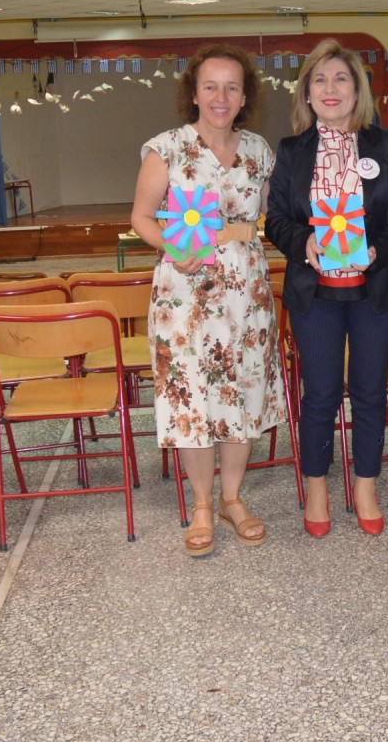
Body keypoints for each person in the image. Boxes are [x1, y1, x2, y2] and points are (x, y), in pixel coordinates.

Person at [129, 43, 287, 557]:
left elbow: (273, 215)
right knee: (192, 395)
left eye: (232, 87)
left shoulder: (260, 151)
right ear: (194, 93)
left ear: (245, 96)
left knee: (243, 390)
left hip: (247, 293)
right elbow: (141, 217)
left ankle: (232, 498)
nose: (221, 97)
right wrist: (173, 247)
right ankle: (201, 503)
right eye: (211, 86)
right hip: (185, 292)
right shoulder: (167, 149)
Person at [264, 39, 388, 537]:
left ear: (357, 90)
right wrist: (303, 242)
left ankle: (366, 485)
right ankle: (317, 486)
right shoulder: (292, 151)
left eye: (340, 79)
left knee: (370, 392)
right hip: (315, 293)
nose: (330, 88)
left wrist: (378, 250)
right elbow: (276, 219)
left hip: (375, 288)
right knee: (320, 394)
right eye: (319, 79)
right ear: (307, 92)